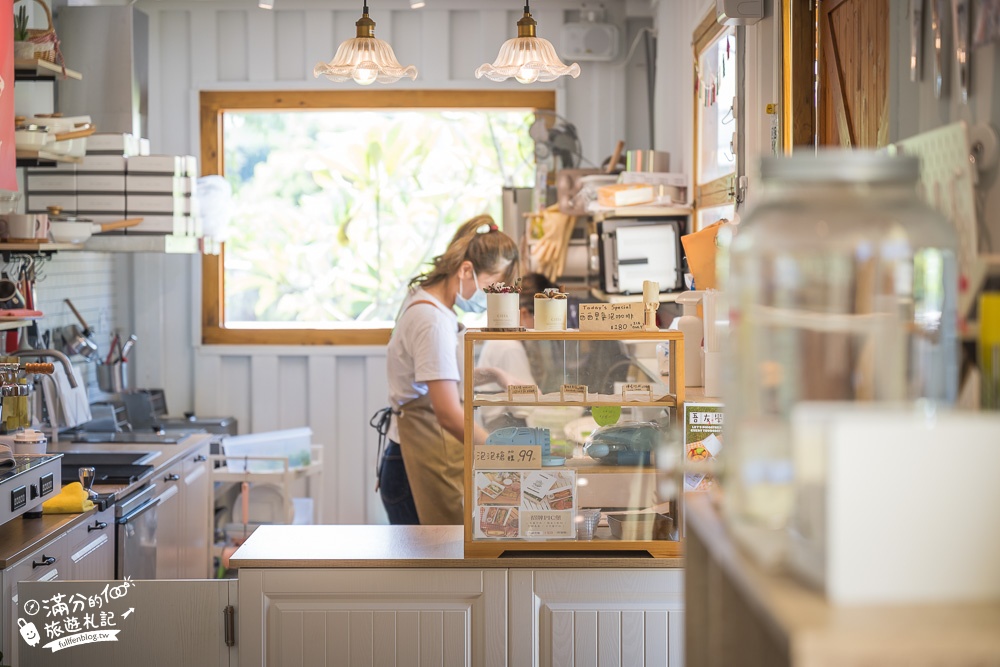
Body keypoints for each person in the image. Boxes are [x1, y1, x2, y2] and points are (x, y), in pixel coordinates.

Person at [379, 214, 520, 525]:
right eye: (490, 285)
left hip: (411, 453)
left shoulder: (426, 302)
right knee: (429, 571)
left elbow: (436, 375)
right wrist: (504, 454)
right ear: (466, 269)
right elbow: (447, 413)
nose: (490, 296)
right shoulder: (432, 322)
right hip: (413, 464)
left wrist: (495, 375)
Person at [477, 272, 559, 431]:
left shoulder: (505, 341)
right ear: (524, 313)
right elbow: (526, 406)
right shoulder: (509, 347)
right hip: (502, 428)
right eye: (545, 316)